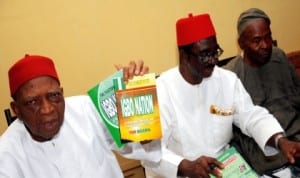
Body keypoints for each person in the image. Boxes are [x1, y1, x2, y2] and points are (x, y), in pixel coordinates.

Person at [141, 13, 300, 178]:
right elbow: (149, 151)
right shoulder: (161, 91)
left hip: (225, 170)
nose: (213, 61)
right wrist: (186, 166)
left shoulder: (226, 80)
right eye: (204, 55)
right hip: (179, 173)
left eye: (215, 52)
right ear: (184, 55)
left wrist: (280, 141)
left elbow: (251, 116)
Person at [0, 54, 161, 178]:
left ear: (62, 94)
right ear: (16, 110)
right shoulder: (6, 154)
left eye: (54, 96)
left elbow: (143, 148)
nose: (47, 109)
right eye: (33, 102)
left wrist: (137, 100)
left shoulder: (86, 108)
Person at [224, 8, 300, 177]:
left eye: (268, 37)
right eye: (257, 40)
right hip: (267, 159)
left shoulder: (279, 57)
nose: (265, 45)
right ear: (241, 43)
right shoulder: (231, 76)